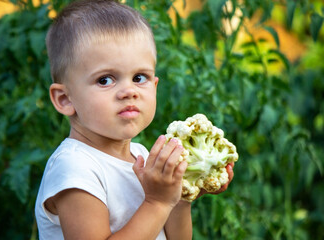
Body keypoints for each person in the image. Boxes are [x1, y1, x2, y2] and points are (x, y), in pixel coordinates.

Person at [35, 0, 234, 239]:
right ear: (65, 99)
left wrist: (180, 197)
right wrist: (158, 202)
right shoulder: (75, 168)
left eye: (139, 77)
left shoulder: (141, 156)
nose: (129, 91)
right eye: (105, 80)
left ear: (155, 85)